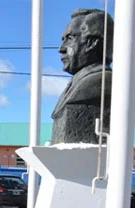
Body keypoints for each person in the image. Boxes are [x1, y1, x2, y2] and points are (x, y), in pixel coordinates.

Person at [51, 8, 114, 144]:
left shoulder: (102, 82)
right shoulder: (75, 84)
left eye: (70, 39)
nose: (61, 48)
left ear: (92, 43)